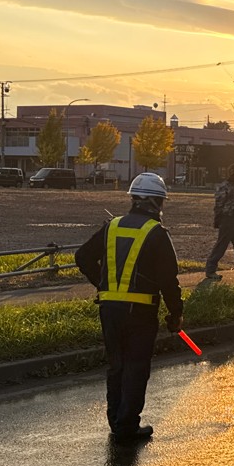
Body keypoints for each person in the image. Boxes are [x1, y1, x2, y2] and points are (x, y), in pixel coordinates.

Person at [74, 173, 184, 441]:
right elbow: (168, 281)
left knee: (117, 365)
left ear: (134, 200)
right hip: (141, 313)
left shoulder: (111, 227)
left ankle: (116, 421)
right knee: (136, 367)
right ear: (157, 203)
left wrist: (102, 285)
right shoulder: (156, 233)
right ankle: (127, 426)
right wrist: (176, 314)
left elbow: (82, 257)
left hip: (109, 310)